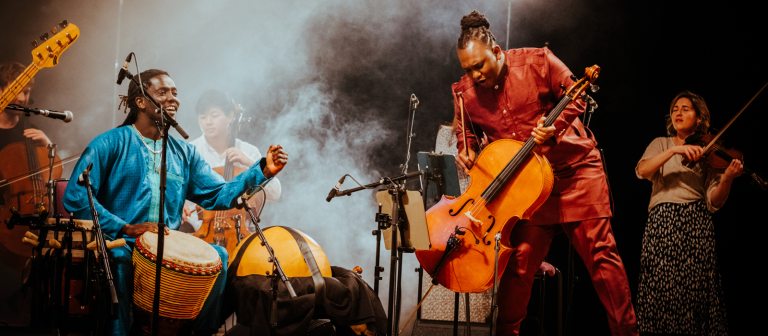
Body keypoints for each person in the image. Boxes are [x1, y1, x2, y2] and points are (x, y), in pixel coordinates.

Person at [451, 11, 637, 335]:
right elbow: (466, 135)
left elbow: (576, 97)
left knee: (602, 260)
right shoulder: (465, 93)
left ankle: (627, 332)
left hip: (576, 173)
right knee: (519, 268)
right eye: (467, 69)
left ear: (497, 52)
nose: (474, 75)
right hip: (529, 189)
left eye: (479, 65)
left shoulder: (539, 60)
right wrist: (465, 151)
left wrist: (555, 129)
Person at [62, 68, 288, 335]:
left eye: (175, 93)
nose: (173, 99)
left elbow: (219, 194)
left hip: (166, 245)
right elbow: (75, 197)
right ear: (140, 102)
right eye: (163, 92)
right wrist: (124, 228)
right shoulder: (110, 143)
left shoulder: (184, 152)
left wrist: (262, 170)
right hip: (119, 242)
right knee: (120, 258)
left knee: (219, 257)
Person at [635, 90, 742, 335]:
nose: (678, 113)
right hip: (663, 222)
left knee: (695, 290)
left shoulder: (709, 151)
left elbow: (714, 201)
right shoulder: (660, 143)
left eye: (685, 108)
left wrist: (726, 178)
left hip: (695, 222)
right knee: (661, 286)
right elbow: (643, 171)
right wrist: (674, 151)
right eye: (675, 109)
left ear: (699, 117)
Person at [182, 89, 281, 233]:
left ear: (230, 116)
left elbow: (275, 193)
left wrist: (250, 163)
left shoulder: (248, 151)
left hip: (239, 231)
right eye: (203, 117)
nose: (208, 122)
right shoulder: (190, 151)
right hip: (198, 232)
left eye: (214, 115)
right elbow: (174, 190)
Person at [0, 61, 53, 326]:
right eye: (17, 90)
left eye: (27, 91)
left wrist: (48, 145)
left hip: (32, 214)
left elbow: (51, 175)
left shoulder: (32, 129)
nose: (22, 98)